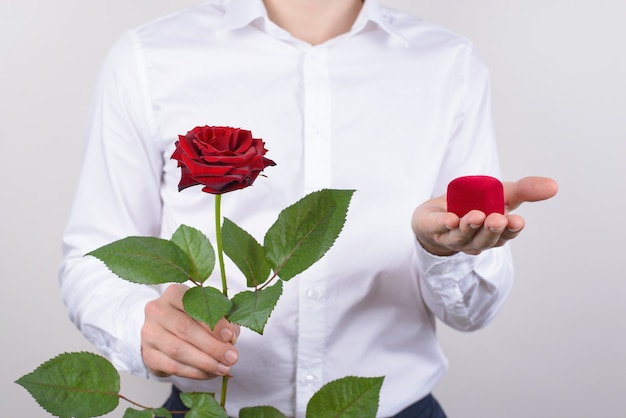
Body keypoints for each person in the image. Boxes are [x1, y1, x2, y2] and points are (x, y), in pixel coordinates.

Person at [59, 0, 558, 417]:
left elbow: (472, 313)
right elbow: (95, 255)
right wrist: (138, 326)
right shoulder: (150, 57)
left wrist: (441, 250)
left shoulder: (448, 64)